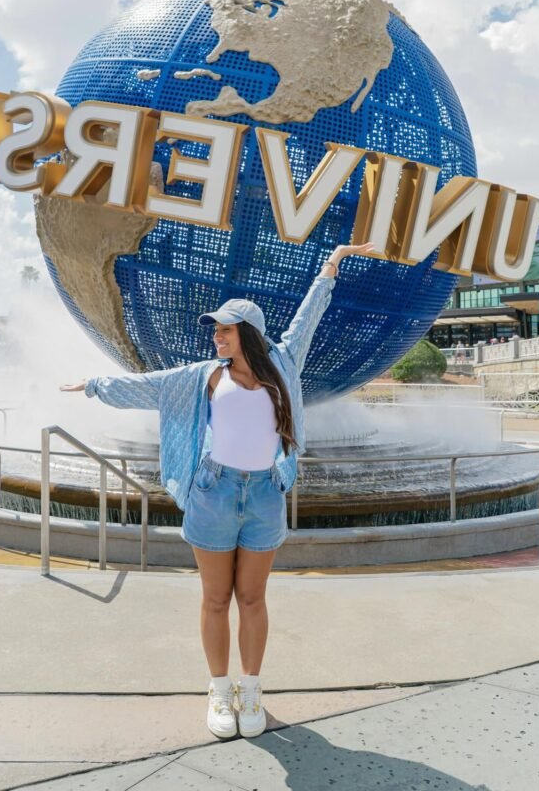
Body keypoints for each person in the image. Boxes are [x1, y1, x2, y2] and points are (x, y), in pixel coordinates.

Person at [60, 241, 374, 740]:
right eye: (216, 330)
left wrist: (332, 264)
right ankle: (219, 689)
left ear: (246, 334)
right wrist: (97, 385)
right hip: (214, 490)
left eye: (224, 330)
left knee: (252, 598)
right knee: (214, 599)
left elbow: (310, 313)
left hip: (266, 494)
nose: (216, 338)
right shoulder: (204, 376)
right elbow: (150, 387)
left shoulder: (283, 366)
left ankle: (251, 690)